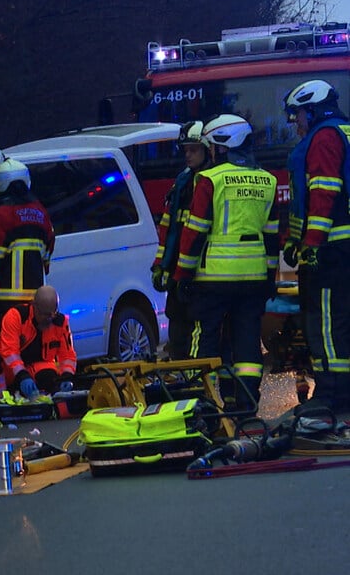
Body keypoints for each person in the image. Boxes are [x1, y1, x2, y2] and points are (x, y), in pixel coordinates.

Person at [173, 114, 279, 413]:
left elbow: (195, 232)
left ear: (221, 145)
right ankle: (244, 406)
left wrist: (183, 274)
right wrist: (269, 277)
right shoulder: (268, 180)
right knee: (247, 344)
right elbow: (272, 236)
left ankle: (199, 404)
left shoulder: (210, 179)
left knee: (204, 339)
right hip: (254, 279)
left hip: (213, 278)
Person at [282, 79, 350, 414]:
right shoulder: (345, 132)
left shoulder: (324, 137)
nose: (296, 122)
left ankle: (331, 395)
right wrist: (295, 240)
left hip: (332, 251)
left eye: (298, 115)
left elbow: (323, 192)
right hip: (342, 246)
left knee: (326, 322)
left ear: (314, 109)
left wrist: (311, 244)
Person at [150, 121, 212, 361]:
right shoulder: (182, 182)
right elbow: (168, 228)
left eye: (193, 150)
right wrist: (161, 265)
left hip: (203, 271)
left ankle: (198, 384)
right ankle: (180, 374)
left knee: (200, 329)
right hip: (179, 271)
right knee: (176, 322)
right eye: (185, 150)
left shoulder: (212, 180)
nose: (187, 155)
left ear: (207, 150)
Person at [0, 158, 54, 340]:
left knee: (1, 348)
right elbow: (48, 251)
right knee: (31, 344)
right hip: (36, 299)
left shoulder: (1, 214)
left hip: (3, 301)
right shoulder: (41, 211)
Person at [0, 285, 76, 404]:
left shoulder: (61, 323)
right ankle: (0, 400)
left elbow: (68, 356)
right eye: (46, 315)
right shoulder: (16, 316)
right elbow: (9, 352)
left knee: (50, 376)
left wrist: (66, 376)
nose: (50, 319)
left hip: (36, 367)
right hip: (9, 370)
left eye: (53, 314)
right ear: (34, 306)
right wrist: (22, 375)